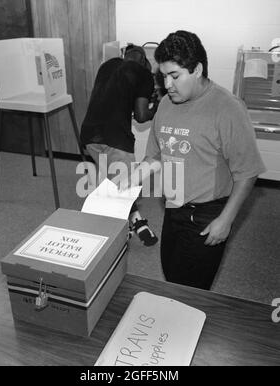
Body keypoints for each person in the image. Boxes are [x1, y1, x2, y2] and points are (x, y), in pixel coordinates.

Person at [121, 30, 266, 290]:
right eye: (163, 76)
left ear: (197, 69)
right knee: (172, 273)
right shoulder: (166, 104)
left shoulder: (227, 108)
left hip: (208, 214)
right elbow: (156, 155)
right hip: (174, 207)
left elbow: (248, 172)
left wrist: (226, 220)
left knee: (192, 289)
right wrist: (129, 180)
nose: (167, 84)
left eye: (174, 76)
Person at [80, 44, 159, 246]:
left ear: (125, 54)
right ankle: (114, 236)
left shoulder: (107, 65)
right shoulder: (144, 74)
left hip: (90, 136)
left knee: (115, 185)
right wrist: (156, 106)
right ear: (144, 62)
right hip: (117, 140)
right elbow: (141, 116)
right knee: (124, 189)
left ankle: (136, 221)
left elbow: (113, 98)